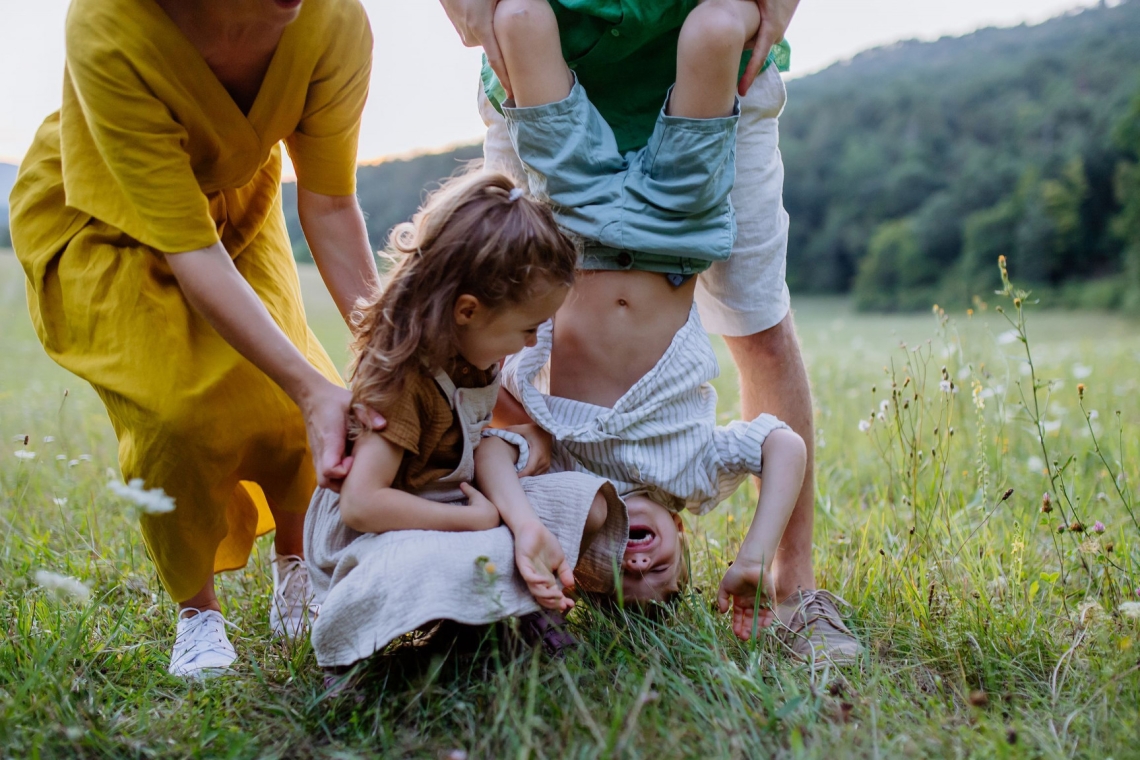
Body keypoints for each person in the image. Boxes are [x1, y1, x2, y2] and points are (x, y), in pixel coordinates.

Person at [440, 0, 862, 662]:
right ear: (684, 541)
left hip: (574, 224)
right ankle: (789, 586)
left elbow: (496, 451)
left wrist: (528, 527)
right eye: (659, 577)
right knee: (718, 29)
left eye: (615, 574)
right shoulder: (694, 476)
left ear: (580, 559)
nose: (637, 564)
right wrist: (753, 553)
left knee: (522, 19)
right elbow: (781, 448)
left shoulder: (566, 482)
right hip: (675, 232)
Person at [9, 0, 380, 677]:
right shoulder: (107, 24)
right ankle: (198, 613)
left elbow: (329, 204)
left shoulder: (335, 21)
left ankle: (297, 567)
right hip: (101, 213)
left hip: (235, 202)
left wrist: (394, 353)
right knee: (175, 417)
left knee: (288, 396)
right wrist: (311, 387)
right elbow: (190, 250)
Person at [304, 171, 629, 670]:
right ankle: (480, 615)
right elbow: (362, 505)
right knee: (459, 553)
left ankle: (490, 610)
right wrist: (473, 520)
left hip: (457, 498)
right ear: (468, 311)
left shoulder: (476, 357)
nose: (530, 342)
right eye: (527, 327)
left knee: (585, 507)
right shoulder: (403, 380)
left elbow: (481, 451)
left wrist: (523, 526)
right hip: (388, 529)